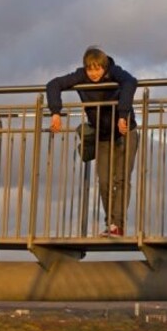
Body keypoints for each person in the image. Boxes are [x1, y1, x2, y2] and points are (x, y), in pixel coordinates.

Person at [47, 46, 140, 237]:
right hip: (103, 135)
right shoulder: (81, 75)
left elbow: (131, 82)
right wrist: (56, 112)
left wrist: (123, 115)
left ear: (104, 67)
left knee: (121, 178)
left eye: (98, 69)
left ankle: (117, 226)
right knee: (105, 181)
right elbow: (53, 84)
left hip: (125, 131)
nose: (94, 73)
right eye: (90, 69)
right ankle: (112, 223)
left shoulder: (114, 71)